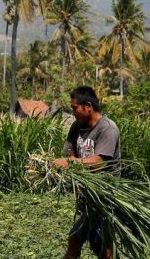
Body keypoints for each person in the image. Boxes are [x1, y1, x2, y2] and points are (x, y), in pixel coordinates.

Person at [53, 86, 121, 259]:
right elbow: (69, 153)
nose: (73, 112)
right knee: (100, 245)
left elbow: (100, 162)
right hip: (87, 196)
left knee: (75, 239)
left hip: (104, 197)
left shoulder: (108, 129)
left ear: (88, 106)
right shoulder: (77, 127)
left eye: (75, 108)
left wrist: (70, 163)